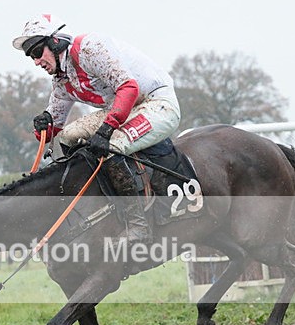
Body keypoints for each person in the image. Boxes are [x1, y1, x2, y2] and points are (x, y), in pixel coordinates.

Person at [13, 13, 181, 246]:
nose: (35, 61)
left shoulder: (89, 49)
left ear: (54, 42)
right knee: (70, 136)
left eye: (36, 52)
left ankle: (138, 226)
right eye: (30, 56)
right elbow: (54, 128)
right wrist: (44, 122)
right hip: (126, 108)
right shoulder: (62, 79)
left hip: (156, 103)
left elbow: (128, 87)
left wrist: (106, 130)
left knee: (112, 146)